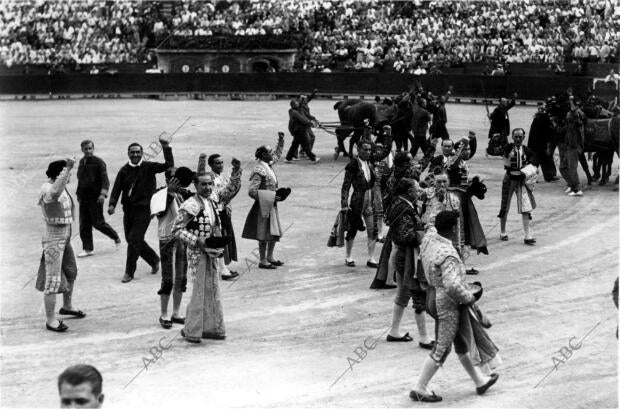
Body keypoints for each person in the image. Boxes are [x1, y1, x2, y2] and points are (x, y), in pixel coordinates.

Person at [410, 210, 498, 402]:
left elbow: (429, 224)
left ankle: (480, 381)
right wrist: (469, 298)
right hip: (446, 303)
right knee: (443, 347)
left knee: (460, 343)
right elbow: (451, 284)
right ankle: (420, 387)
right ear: (453, 229)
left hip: (432, 295)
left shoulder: (430, 239)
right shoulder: (448, 253)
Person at [174, 161, 241, 343]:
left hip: (213, 251)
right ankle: (192, 330)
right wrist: (198, 241)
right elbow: (177, 230)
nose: (207, 187)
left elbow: (229, 192)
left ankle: (211, 328)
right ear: (195, 185)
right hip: (197, 253)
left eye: (210, 184)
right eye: (203, 184)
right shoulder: (190, 204)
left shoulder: (212, 200)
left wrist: (236, 172)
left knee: (211, 289)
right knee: (199, 291)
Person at [108, 136, 173, 283]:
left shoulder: (149, 167)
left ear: (142, 153)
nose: (135, 155)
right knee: (131, 239)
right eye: (132, 152)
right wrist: (112, 204)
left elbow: (168, 165)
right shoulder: (124, 170)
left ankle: (129, 272)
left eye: (138, 152)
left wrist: (166, 148)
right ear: (128, 154)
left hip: (144, 210)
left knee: (134, 239)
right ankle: (154, 259)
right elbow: (117, 188)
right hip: (128, 210)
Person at [37, 158, 86, 332]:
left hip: (64, 237)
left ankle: (67, 305)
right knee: (52, 279)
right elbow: (53, 194)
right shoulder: (48, 188)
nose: (70, 176)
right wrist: (68, 168)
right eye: (66, 173)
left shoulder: (61, 187)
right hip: (53, 238)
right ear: (60, 174)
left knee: (71, 271)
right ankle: (50, 320)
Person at [385, 178, 434, 349]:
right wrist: (425, 234)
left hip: (400, 253)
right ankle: (424, 338)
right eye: (416, 188)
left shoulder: (398, 203)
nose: (419, 190)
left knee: (404, 293)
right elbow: (405, 236)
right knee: (418, 294)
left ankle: (394, 331)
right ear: (409, 191)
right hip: (407, 257)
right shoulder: (404, 207)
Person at [341, 126, 392, 267]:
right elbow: (346, 186)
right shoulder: (352, 164)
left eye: (370, 150)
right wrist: (344, 204)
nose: (368, 152)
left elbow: (386, 151)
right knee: (352, 229)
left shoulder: (371, 160)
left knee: (372, 229)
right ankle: (348, 256)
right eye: (365, 149)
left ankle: (371, 258)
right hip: (357, 199)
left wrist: (388, 135)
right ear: (358, 149)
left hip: (370, 199)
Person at [155, 166, 194, 329]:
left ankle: (176, 313)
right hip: (167, 239)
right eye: (174, 177)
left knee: (181, 277)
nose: (177, 180)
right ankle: (164, 314)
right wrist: (170, 193)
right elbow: (160, 212)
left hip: (182, 238)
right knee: (168, 278)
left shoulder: (184, 194)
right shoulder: (159, 194)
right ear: (167, 180)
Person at [242, 132, 287, 269]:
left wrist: (280, 141)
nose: (272, 154)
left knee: (273, 230)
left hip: (271, 203)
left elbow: (277, 155)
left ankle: (270, 257)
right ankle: (262, 260)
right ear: (263, 155)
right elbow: (252, 191)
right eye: (270, 152)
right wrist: (270, 197)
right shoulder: (259, 170)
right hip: (263, 205)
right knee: (263, 233)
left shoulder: (268, 164)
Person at [76, 140, 121, 257]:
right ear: (82, 150)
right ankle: (88, 249)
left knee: (98, 223)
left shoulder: (99, 163)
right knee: (84, 224)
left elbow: (105, 180)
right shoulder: (81, 162)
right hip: (83, 198)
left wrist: (102, 194)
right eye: (85, 149)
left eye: (90, 148)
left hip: (95, 198)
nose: (88, 151)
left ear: (93, 149)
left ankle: (115, 236)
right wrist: (78, 194)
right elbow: (80, 180)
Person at [498, 128, 538, 244]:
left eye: (520, 137)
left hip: (522, 180)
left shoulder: (527, 150)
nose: (518, 139)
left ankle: (527, 235)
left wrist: (527, 172)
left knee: (526, 206)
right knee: (505, 205)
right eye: (516, 136)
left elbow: (533, 165)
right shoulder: (508, 148)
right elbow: (496, 151)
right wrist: (496, 143)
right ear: (512, 137)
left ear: (524, 137)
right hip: (509, 179)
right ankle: (503, 231)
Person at [207, 153, 242, 280]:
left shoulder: (222, 176)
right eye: (217, 163)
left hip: (223, 211)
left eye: (222, 162)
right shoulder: (210, 178)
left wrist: (227, 205)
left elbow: (230, 192)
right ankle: (222, 270)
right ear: (210, 165)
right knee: (218, 240)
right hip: (214, 213)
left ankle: (221, 268)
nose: (220, 165)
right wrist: (236, 172)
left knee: (221, 239)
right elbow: (223, 194)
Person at [559, 97, 585, 196]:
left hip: (574, 148)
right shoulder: (569, 124)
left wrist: (571, 100)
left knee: (572, 169)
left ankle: (577, 189)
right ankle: (571, 184)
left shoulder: (576, 122)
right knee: (562, 167)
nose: (567, 114)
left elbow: (574, 112)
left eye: (568, 114)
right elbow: (560, 130)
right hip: (568, 148)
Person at [527, 106, 559, 182]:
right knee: (539, 161)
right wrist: (553, 124)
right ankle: (547, 177)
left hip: (534, 144)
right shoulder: (544, 119)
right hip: (540, 145)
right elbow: (550, 131)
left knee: (540, 161)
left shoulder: (536, 119)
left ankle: (548, 177)